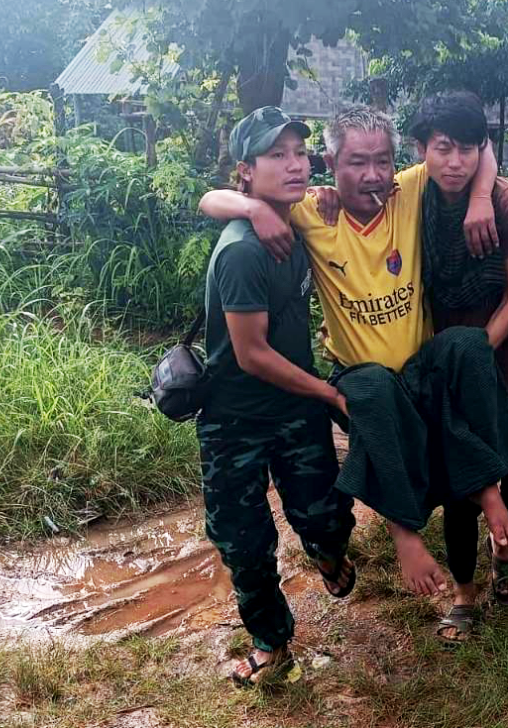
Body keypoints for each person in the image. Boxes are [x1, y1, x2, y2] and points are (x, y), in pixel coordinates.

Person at [199, 106, 508, 599]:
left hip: (418, 369)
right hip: (362, 377)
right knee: (370, 388)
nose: (372, 175)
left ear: (397, 163)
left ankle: (490, 490)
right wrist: (254, 209)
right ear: (329, 162)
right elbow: (209, 198)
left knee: (467, 344)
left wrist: (480, 197)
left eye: (382, 161)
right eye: (355, 163)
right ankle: (405, 536)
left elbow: (476, 144)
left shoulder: (409, 191)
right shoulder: (307, 211)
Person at [199, 106, 356, 686]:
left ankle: (328, 553)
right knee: (244, 542)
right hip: (234, 420)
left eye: (299, 152)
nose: (294, 164)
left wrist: (305, 198)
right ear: (246, 171)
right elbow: (252, 355)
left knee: (325, 517)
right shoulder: (243, 249)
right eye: (277, 155)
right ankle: (271, 644)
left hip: (294, 410)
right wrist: (328, 395)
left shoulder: (298, 215)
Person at [406, 92, 508, 642]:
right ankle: (465, 594)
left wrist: (476, 352)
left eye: (468, 149)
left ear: (481, 150)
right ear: (422, 150)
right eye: (443, 149)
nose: (455, 162)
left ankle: (506, 549)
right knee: (457, 488)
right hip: (448, 365)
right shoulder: (411, 200)